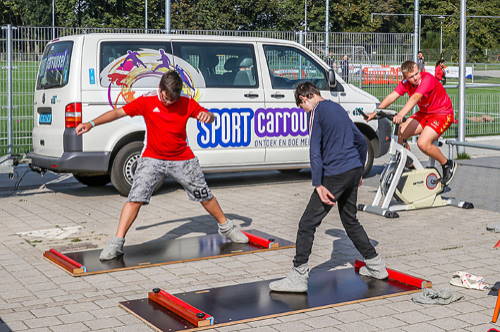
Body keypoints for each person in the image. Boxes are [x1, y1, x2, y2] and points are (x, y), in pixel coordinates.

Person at [75, 70, 248, 261]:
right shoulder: (146, 102)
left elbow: (207, 115)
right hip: (152, 158)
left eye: (172, 100)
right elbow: (117, 112)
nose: (168, 103)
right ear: (160, 89)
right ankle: (116, 243)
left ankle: (227, 228)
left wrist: (208, 116)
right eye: (165, 98)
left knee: (204, 195)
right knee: (135, 198)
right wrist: (90, 123)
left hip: (182, 158)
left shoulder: (186, 103)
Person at [269, 82, 388, 293]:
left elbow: (314, 150)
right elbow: (360, 140)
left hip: (336, 174)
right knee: (350, 220)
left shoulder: (315, 112)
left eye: (301, 106)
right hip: (351, 170)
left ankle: (298, 275)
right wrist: (358, 171)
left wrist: (318, 184)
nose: (303, 111)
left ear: (305, 98)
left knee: (307, 223)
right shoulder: (337, 108)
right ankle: (376, 265)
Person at [366, 60, 457, 185]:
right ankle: (408, 161)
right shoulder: (405, 83)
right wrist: (375, 112)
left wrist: (401, 114)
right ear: (405, 78)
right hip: (425, 113)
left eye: (416, 73)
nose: (415, 78)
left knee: (422, 143)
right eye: (411, 77)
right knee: (400, 131)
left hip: (442, 114)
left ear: (419, 70)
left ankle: (447, 164)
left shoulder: (427, 79)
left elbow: (415, 98)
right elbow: (392, 96)